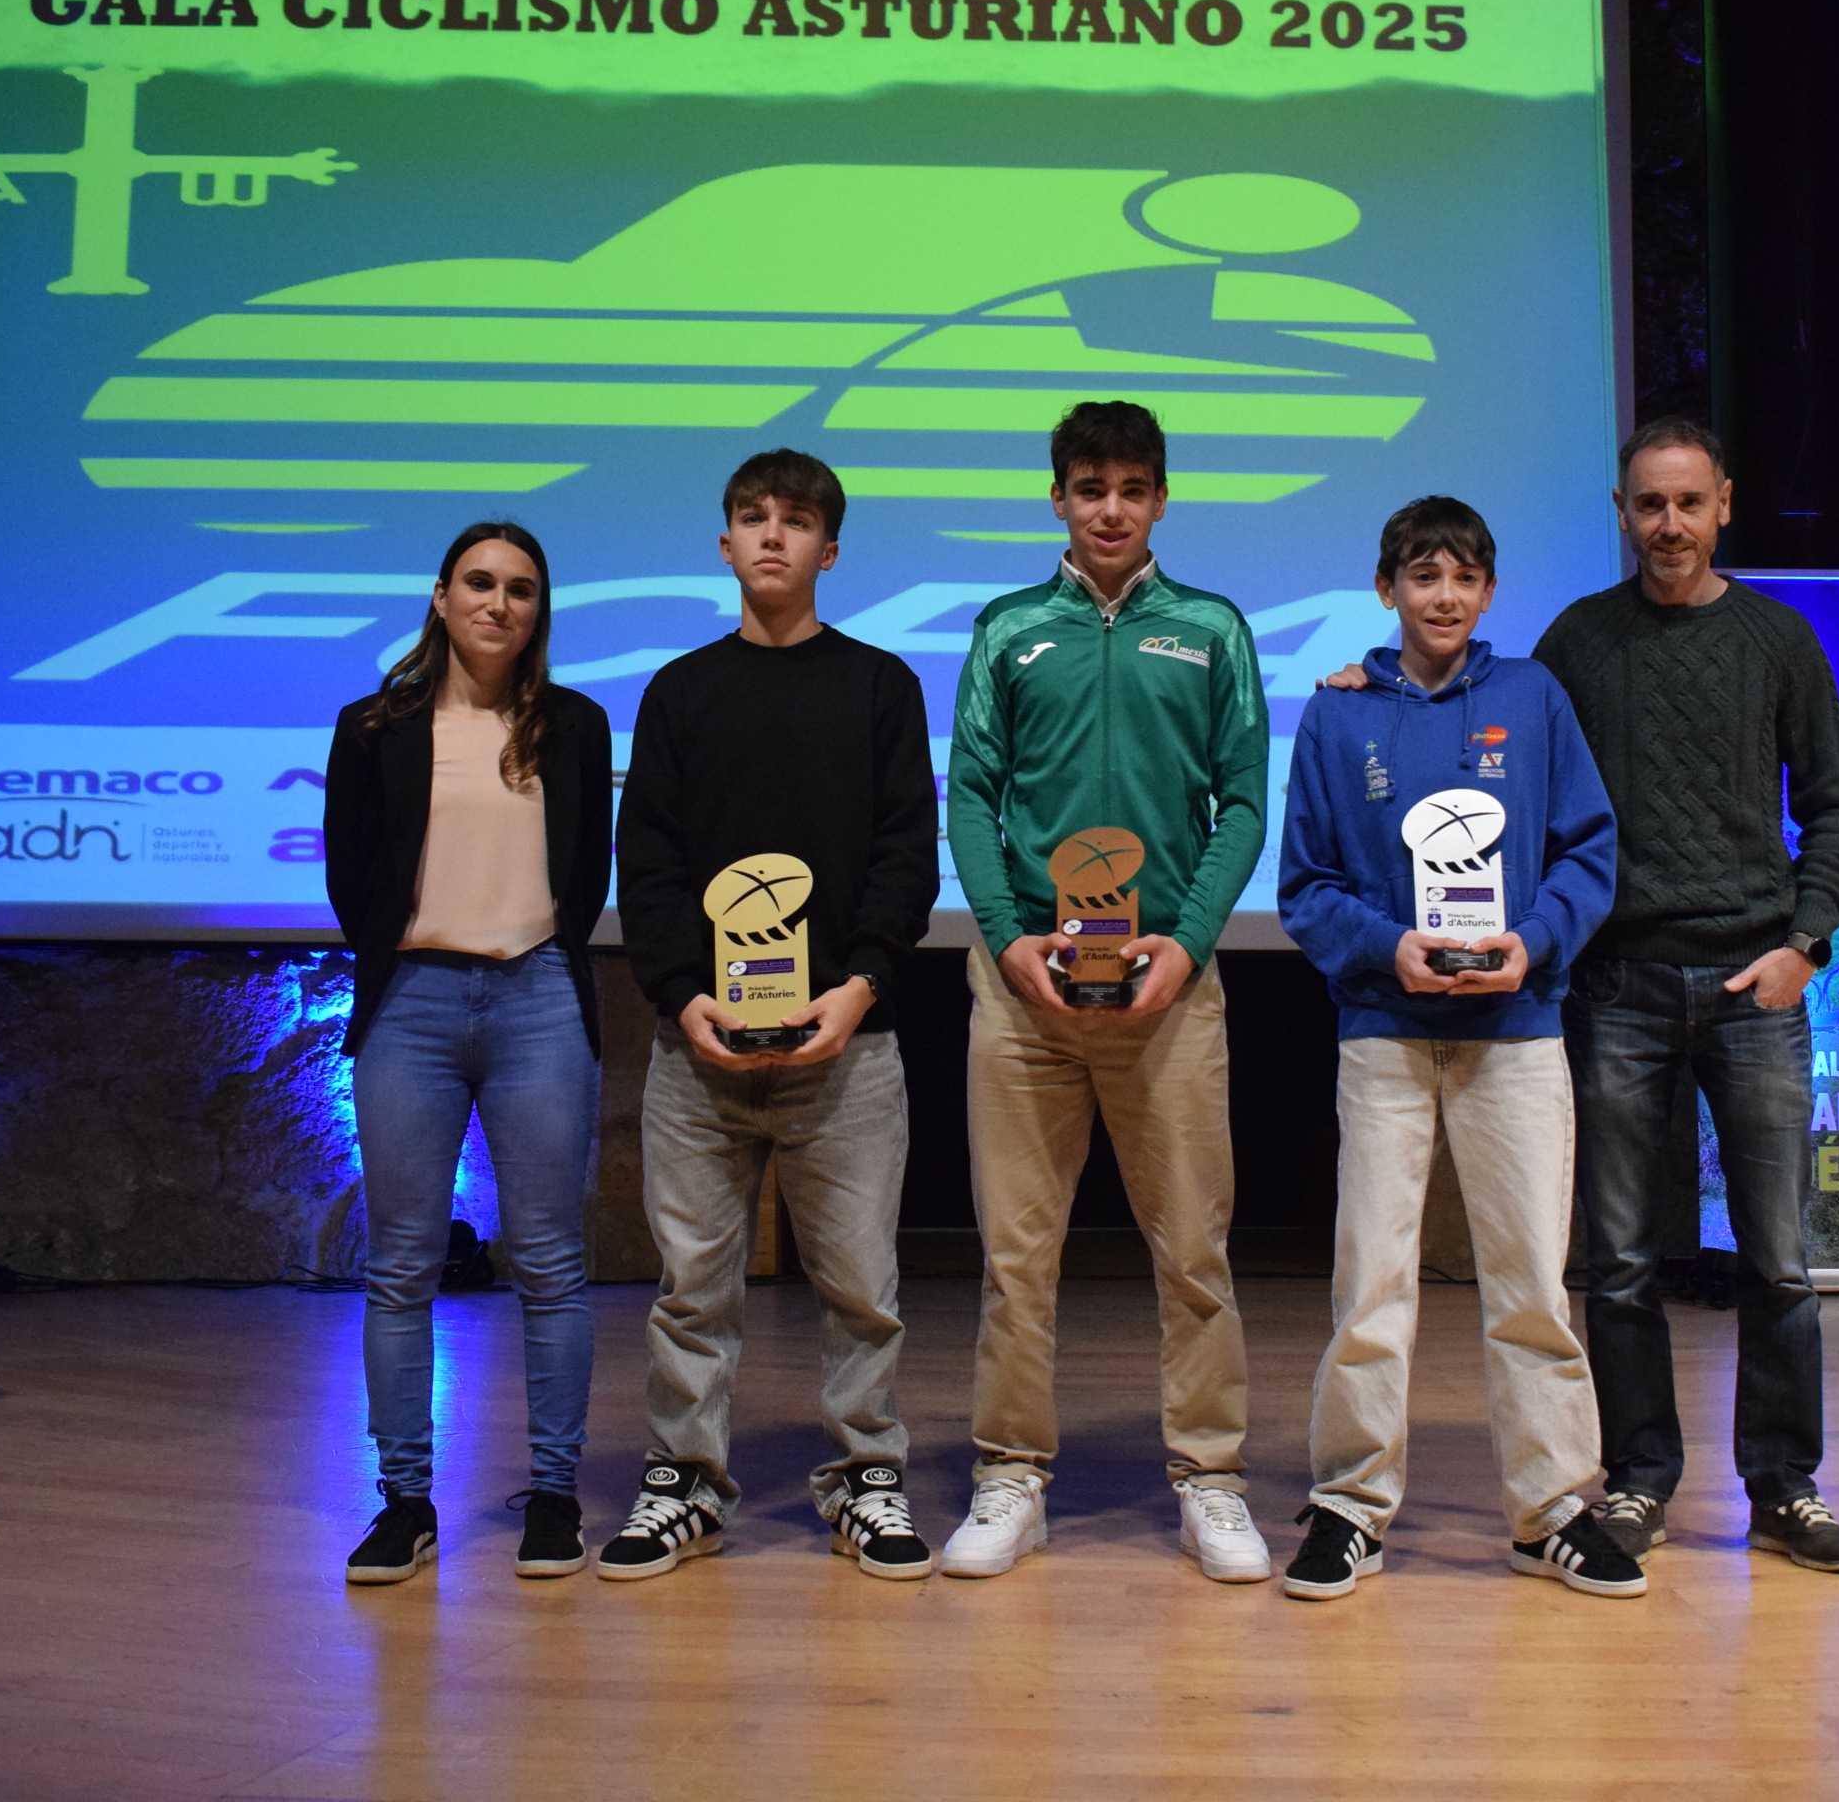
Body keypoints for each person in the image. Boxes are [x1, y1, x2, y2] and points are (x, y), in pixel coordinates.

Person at [1275, 496, 1642, 1601]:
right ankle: (1349, 1502)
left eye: (1464, 577)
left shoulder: (1531, 697)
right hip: (1386, 1033)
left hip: (1515, 1034)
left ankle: (1551, 1508)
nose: (1443, 595)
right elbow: (1306, 885)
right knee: (1371, 1284)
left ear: (1487, 591)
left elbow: (1588, 847)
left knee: (1530, 1279)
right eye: (1421, 575)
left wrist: (1532, 944)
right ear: (1386, 586)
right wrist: (1390, 947)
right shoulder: (1337, 716)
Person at [940, 399, 1274, 1583]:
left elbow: (1242, 802)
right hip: (1021, 985)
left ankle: (1212, 1478)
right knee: (1016, 1256)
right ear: (1059, 500)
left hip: (1168, 988)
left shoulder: (1213, 629)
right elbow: (970, 797)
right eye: (1090, 488)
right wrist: (1006, 936)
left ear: (1162, 500)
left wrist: (1186, 943)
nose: (1112, 509)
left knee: (1193, 1250)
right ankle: (1010, 1474)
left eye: (1133, 488)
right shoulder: (1008, 628)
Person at [595, 451, 944, 1581]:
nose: (773, 537)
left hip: (848, 1042)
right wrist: (678, 993)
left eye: (797, 522)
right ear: (725, 542)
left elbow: (903, 852)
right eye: (752, 518)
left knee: (860, 1287)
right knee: (692, 1287)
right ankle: (685, 1480)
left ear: (829, 550)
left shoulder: (881, 685)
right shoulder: (681, 691)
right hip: (697, 1048)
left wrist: (858, 985)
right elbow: (644, 858)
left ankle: (864, 1476)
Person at [1541, 417, 1839, 1575]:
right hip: (1618, 986)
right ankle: (1635, 1480)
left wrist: (1807, 942)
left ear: (1723, 503)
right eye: (1647, 504)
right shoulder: (1577, 642)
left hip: (1754, 986)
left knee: (1777, 1258)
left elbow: (1835, 804)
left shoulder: (1779, 640)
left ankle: (1785, 1487)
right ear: (1621, 511)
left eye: (1687, 502)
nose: (1667, 525)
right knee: (1621, 1260)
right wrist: (1370, 678)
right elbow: (1509, 771)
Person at [321, 521, 613, 1585]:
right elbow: (353, 876)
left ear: (541, 609)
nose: (499, 602)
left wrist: (526, 956)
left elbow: (584, 878)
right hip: (412, 1002)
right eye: (479, 583)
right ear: (440, 597)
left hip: (538, 994)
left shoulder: (575, 726)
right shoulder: (373, 725)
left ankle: (552, 1493)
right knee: (400, 1264)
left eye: (522, 588)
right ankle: (404, 1503)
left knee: (550, 1261)